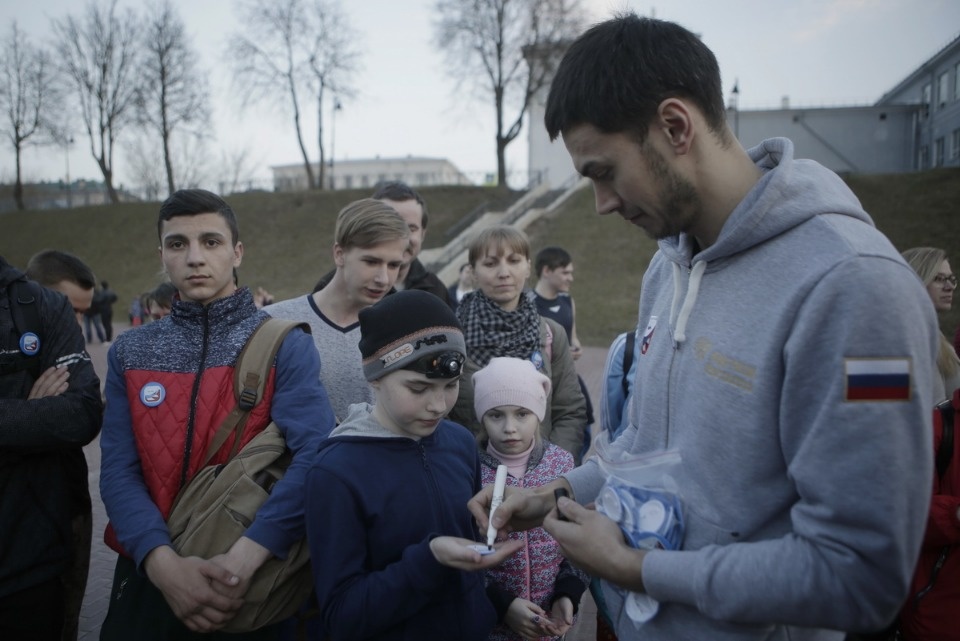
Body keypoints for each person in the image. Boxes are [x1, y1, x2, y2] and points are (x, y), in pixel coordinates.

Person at [469, 14, 938, 641]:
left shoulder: (857, 288)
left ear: (674, 126)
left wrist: (639, 569)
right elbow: (645, 449)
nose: (603, 204)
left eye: (604, 172)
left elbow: (860, 575)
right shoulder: (667, 268)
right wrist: (557, 493)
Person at [98, 188, 336, 639]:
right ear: (162, 256)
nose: (194, 258)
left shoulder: (284, 342)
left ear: (237, 252)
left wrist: (245, 558)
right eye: (177, 244)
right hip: (151, 575)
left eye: (210, 242)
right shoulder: (130, 350)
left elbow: (315, 457)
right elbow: (119, 470)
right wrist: (162, 564)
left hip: (253, 574)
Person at [304, 290, 521, 641]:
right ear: (374, 377)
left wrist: (490, 544)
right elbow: (342, 615)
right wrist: (430, 559)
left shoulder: (460, 442)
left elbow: (469, 559)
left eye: (450, 386)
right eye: (418, 388)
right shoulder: (336, 472)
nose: (438, 405)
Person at [1, 252, 103, 641]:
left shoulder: (49, 327)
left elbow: (81, 413)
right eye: (71, 311)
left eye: (82, 313)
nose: (76, 325)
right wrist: (32, 418)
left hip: (52, 529)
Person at [473, 356, 589, 641]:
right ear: (481, 416)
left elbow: (579, 540)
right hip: (488, 627)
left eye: (522, 413)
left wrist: (568, 594)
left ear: (538, 412)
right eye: (496, 414)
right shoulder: (468, 470)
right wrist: (501, 605)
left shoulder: (561, 467)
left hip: (548, 627)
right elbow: (460, 555)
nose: (510, 427)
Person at [449, 224, 587, 463]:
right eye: (491, 264)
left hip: (539, 482)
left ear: (528, 267)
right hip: (471, 478)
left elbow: (569, 411)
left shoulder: (551, 334)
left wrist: (551, 469)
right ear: (473, 272)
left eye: (514, 261)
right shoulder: (452, 336)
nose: (504, 272)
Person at [264, 198, 409, 421]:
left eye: (394, 265)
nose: (384, 278)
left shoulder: (405, 331)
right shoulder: (275, 322)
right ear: (339, 254)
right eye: (371, 262)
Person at [532, 246, 594, 459]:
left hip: (569, 381)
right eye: (565, 272)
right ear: (547, 271)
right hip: (542, 390)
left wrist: (575, 348)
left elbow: (572, 336)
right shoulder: (528, 305)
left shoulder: (568, 300)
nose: (571, 278)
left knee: (581, 435)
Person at [372, 180, 449, 303]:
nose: (401, 238)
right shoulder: (345, 286)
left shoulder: (436, 291)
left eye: (410, 228)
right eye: (389, 226)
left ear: (422, 234)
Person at [901, 247, 960, 404]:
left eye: (952, 279)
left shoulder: (934, 335)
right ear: (916, 280)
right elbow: (935, 410)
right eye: (939, 279)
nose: (949, 287)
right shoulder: (917, 338)